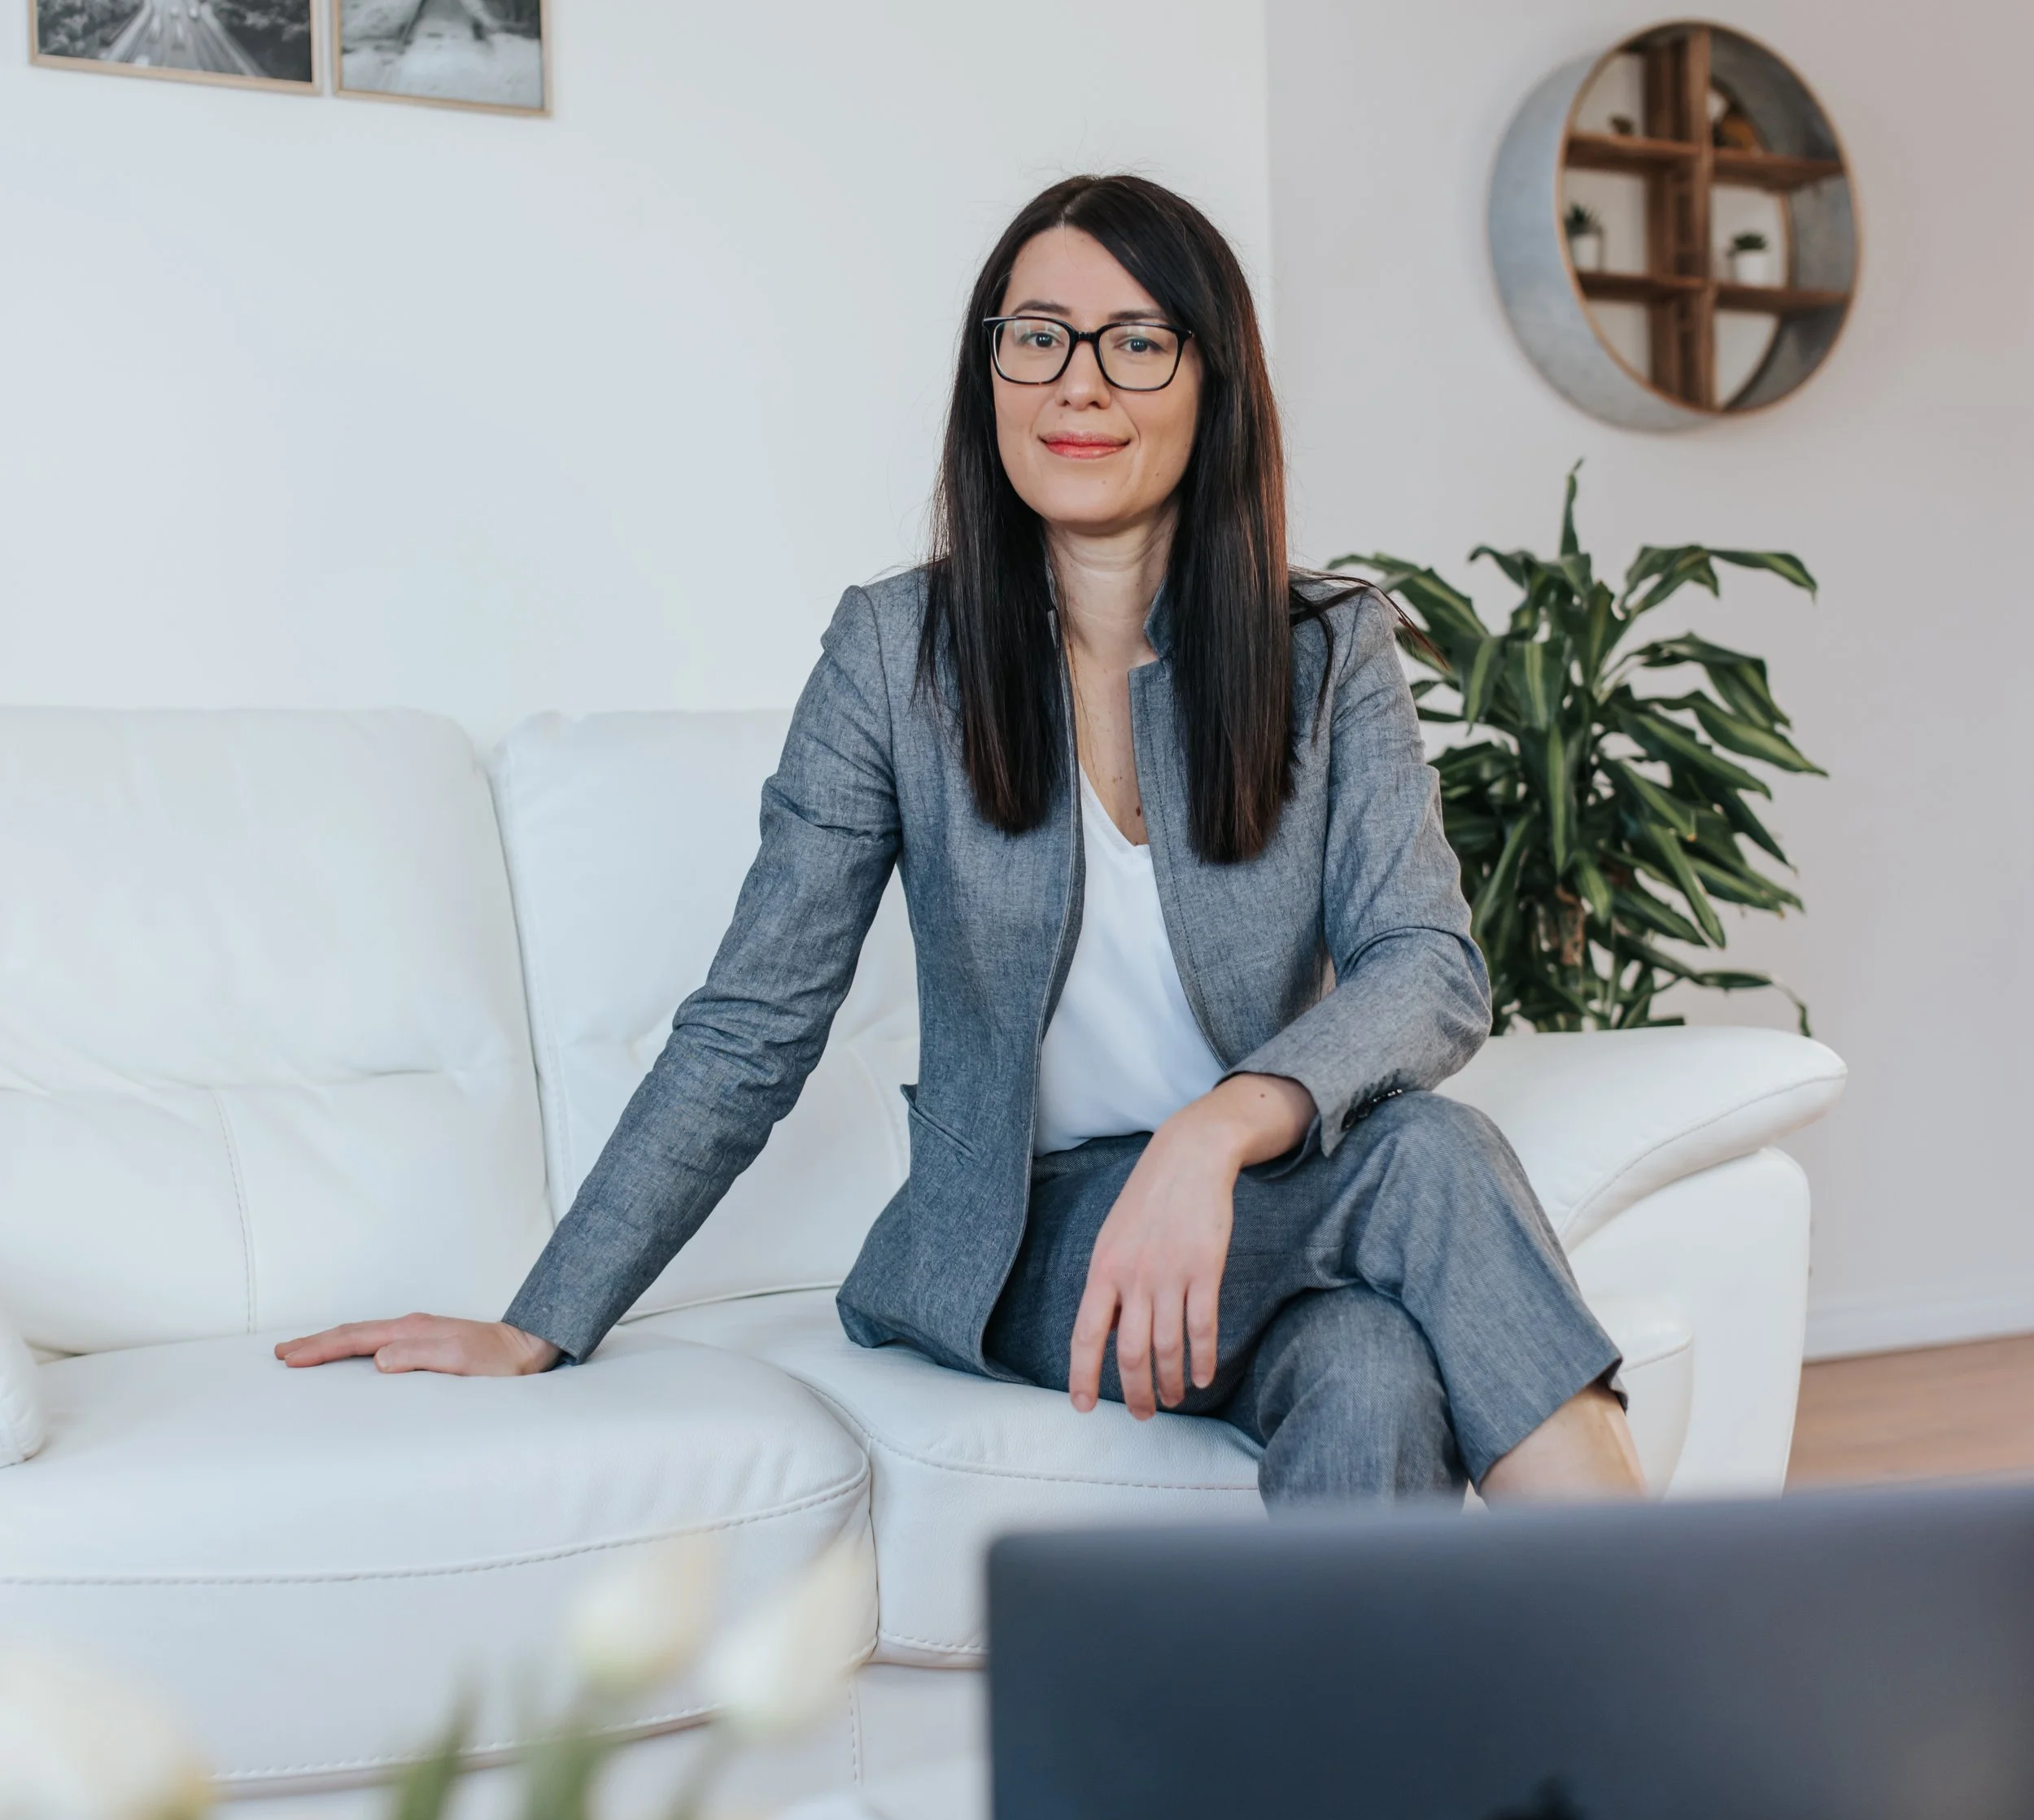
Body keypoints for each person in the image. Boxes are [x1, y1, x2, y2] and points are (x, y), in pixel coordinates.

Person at [282, 176, 1641, 1508]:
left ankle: (1395, 1742)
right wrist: (543, 1318)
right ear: (989, 371)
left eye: (1138, 343)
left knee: (1371, 1371)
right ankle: (1678, 1676)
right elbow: (753, 1023)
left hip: (1252, 1211)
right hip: (1022, 1245)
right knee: (1431, 1159)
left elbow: (1427, 965)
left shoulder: (1327, 651)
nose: (1078, 383)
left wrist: (1218, 1132)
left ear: (1214, 386)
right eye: (1036, 336)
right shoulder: (893, 655)